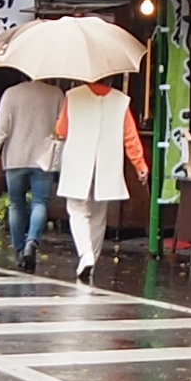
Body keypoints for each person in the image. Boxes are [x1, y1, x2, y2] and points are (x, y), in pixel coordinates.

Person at [0, 74, 69, 272]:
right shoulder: (57, 94)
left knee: (16, 204)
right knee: (40, 202)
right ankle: (32, 242)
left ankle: (19, 249)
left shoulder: (11, 94)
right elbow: (64, 129)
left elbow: (1, 128)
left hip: (15, 158)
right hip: (44, 160)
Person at [64, 73, 136, 279]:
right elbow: (130, 137)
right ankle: (91, 261)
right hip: (106, 164)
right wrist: (140, 164)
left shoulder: (73, 96)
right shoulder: (121, 101)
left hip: (78, 162)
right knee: (98, 216)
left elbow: (61, 129)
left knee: (78, 210)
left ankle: (85, 255)